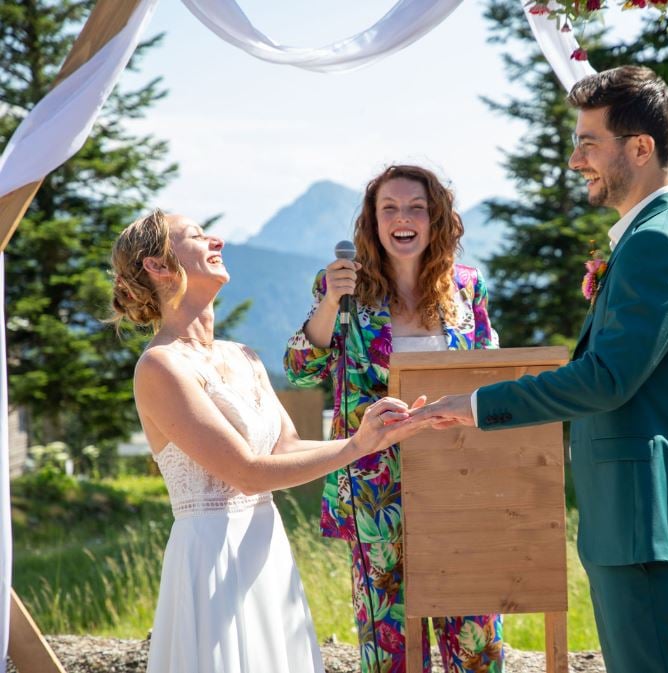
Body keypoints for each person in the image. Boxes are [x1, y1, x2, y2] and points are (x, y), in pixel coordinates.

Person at [414, 66, 668, 673]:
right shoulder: (654, 237)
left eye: (588, 142)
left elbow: (607, 378)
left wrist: (476, 406)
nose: (573, 159)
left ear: (640, 148)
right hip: (641, 522)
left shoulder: (659, 243)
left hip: (651, 525)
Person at [110, 209, 432, 673]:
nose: (215, 240)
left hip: (265, 546)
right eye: (197, 236)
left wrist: (376, 435)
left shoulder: (243, 356)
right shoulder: (161, 367)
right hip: (211, 557)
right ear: (158, 267)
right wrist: (358, 447)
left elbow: (286, 450)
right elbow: (245, 473)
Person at [283, 164, 504, 673]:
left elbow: (491, 369)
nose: (402, 218)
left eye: (416, 208)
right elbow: (300, 370)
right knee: (390, 645)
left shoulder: (468, 288)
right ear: (373, 221)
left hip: (460, 480)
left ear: (436, 219)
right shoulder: (343, 287)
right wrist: (332, 301)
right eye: (389, 208)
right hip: (374, 488)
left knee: (476, 634)